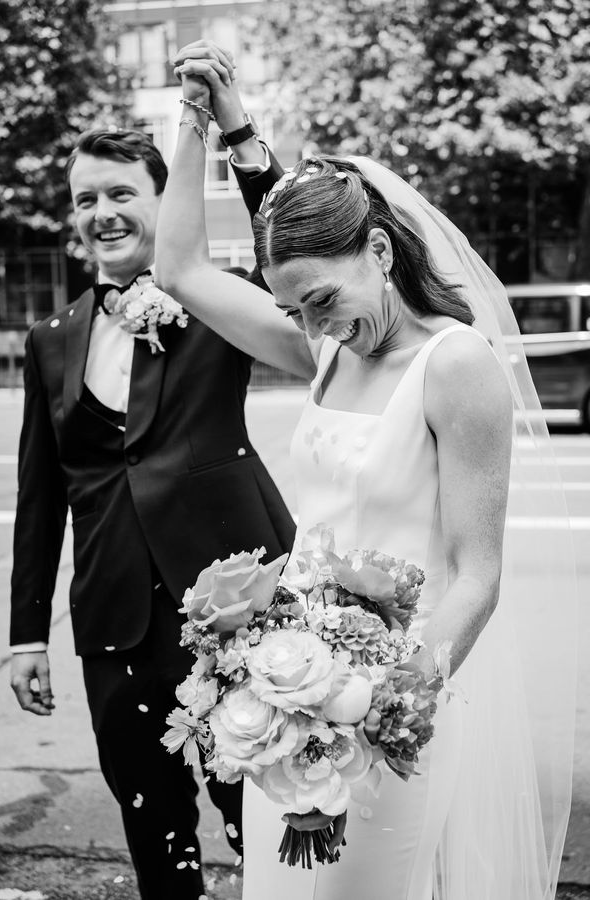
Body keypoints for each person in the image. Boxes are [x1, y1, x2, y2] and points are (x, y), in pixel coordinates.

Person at [153, 45, 578, 900]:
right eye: (292, 308)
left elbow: (477, 575)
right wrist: (195, 124)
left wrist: (377, 707)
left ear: (379, 250)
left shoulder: (457, 367)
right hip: (292, 697)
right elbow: (182, 272)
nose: (313, 322)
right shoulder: (323, 353)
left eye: (320, 298)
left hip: (391, 708)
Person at [8, 52, 296, 900]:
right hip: (115, 626)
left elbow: (289, 244)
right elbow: (40, 496)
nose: (101, 213)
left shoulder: (217, 303)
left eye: (121, 193)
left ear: (163, 199)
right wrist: (28, 632)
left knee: (271, 825)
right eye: (85, 199)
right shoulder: (50, 339)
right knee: (154, 836)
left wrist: (236, 128)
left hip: (237, 607)